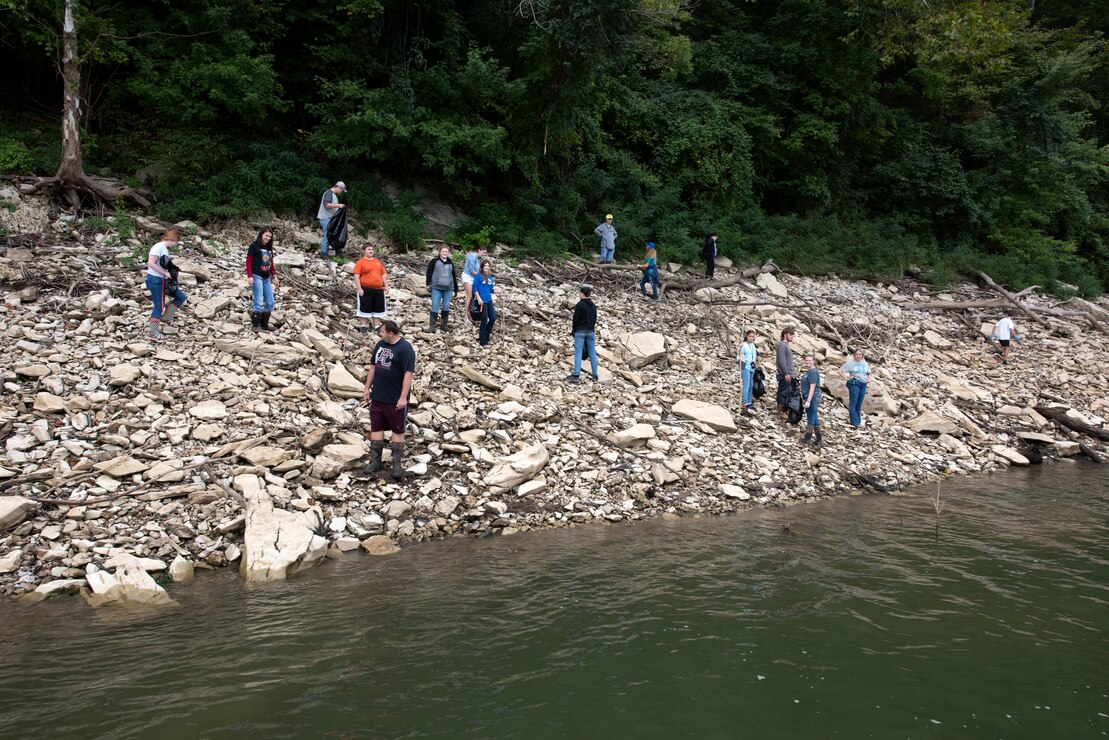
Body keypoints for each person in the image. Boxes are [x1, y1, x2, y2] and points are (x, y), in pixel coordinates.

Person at [362, 319, 416, 478]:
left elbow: (408, 374)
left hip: (395, 398)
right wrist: (366, 388)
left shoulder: (405, 349)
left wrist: (403, 397)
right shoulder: (380, 345)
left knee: (397, 430)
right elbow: (373, 367)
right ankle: (375, 462)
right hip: (378, 395)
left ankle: (397, 466)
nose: (380, 334)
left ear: (391, 333)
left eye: (382, 331)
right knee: (376, 428)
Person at [145, 229, 187, 342]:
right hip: (155, 280)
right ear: (172, 239)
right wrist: (164, 273)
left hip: (163, 280)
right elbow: (150, 263)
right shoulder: (158, 247)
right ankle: (153, 332)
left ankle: (166, 317)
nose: (175, 245)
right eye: (176, 242)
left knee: (181, 297)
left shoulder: (163, 248)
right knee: (159, 306)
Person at [245, 226, 278, 333]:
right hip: (256, 275)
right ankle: (255, 325)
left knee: (270, 301)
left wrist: (274, 275)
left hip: (266, 277)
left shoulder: (269, 248)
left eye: (269, 236)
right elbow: (248, 262)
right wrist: (250, 276)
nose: (267, 238)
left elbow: (270, 263)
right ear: (261, 235)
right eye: (266, 236)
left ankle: (264, 325)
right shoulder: (254, 246)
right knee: (258, 300)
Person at [353, 242, 388, 335]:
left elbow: (383, 274)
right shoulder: (360, 262)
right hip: (366, 288)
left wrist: (386, 285)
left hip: (378, 289)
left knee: (378, 307)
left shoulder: (377, 261)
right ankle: (363, 325)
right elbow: (356, 276)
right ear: (364, 251)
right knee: (364, 307)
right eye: (368, 249)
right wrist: (359, 288)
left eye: (372, 249)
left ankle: (377, 326)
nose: (371, 251)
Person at [568, 284, 599, 382]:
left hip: (580, 331)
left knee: (578, 352)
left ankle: (576, 374)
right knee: (592, 353)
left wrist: (574, 330)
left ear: (582, 294)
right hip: (590, 331)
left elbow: (575, 318)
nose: (579, 294)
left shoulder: (580, 304)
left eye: (580, 293)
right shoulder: (593, 305)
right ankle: (595, 375)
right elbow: (594, 319)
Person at [425, 245, 458, 333]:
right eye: (443, 251)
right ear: (440, 252)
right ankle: (432, 327)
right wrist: (428, 283)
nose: (445, 253)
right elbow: (429, 272)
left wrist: (456, 289)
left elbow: (454, 276)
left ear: (448, 253)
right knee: (435, 305)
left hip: (448, 288)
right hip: (436, 287)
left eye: (446, 251)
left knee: (446, 306)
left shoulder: (450, 263)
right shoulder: (434, 261)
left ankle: (444, 325)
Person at [838, 348, 872, 428]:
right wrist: (846, 378)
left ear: (862, 355)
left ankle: (858, 421)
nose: (858, 356)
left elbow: (869, 372)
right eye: (857, 354)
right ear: (854, 355)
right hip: (854, 383)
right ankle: (855, 422)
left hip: (863, 383)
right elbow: (840, 371)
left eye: (860, 354)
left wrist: (869, 378)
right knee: (853, 402)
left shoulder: (864, 363)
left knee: (859, 403)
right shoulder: (850, 363)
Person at [317, 181, 346, 257]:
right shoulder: (328, 193)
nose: (341, 192)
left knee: (330, 235)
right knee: (326, 236)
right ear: (338, 187)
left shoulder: (333, 195)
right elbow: (326, 205)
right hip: (325, 218)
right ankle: (324, 254)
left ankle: (333, 252)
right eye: (342, 190)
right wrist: (338, 205)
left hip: (329, 219)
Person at [800, 353, 823, 447]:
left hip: (813, 396)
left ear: (814, 361)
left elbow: (812, 387)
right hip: (809, 395)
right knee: (814, 416)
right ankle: (819, 439)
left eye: (810, 360)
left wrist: (808, 401)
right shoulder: (809, 372)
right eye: (806, 360)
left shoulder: (813, 372)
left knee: (811, 417)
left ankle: (807, 438)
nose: (808, 362)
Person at [461, 245, 487, 325]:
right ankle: (465, 316)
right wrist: (480, 277)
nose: (484, 254)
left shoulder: (478, 259)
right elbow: (471, 270)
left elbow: (477, 270)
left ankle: (469, 314)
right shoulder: (473, 256)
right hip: (467, 276)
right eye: (483, 252)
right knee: (469, 296)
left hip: (473, 278)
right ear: (479, 250)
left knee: (474, 296)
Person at [473, 259, 497, 346]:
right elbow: (475, 288)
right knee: (484, 319)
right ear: (482, 267)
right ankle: (483, 341)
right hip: (481, 301)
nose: (487, 267)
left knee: (493, 318)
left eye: (488, 266)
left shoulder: (490, 277)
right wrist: (478, 298)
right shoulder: (478, 276)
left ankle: (486, 335)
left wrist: (500, 291)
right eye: (485, 266)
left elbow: (490, 289)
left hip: (488, 300)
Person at [775, 327, 796, 418]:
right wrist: (786, 373)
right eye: (790, 335)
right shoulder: (782, 345)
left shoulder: (786, 345)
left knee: (786, 392)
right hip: (784, 374)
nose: (792, 337)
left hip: (788, 373)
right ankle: (780, 412)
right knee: (782, 392)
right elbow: (781, 361)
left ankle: (783, 411)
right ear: (785, 335)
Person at [738, 329, 758, 412]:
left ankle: (749, 402)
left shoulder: (753, 345)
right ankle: (745, 403)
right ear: (747, 336)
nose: (751, 338)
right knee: (746, 385)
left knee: (750, 385)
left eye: (753, 336)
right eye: (750, 336)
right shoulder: (744, 345)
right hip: (745, 366)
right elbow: (740, 355)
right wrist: (739, 347)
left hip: (752, 367)